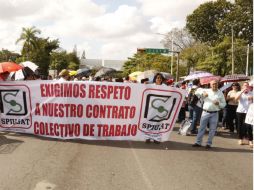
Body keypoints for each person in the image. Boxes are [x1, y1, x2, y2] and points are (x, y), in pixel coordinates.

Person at [192, 80, 226, 149]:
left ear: (218, 85)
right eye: (213, 84)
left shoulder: (220, 93)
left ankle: (209, 143)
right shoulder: (207, 90)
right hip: (205, 112)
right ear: (210, 85)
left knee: (212, 129)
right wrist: (203, 93)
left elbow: (224, 104)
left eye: (216, 84)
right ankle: (198, 142)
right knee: (201, 128)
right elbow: (195, 91)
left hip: (214, 113)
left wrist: (219, 104)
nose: (214, 85)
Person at [145, 73, 165, 144]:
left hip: (160, 108)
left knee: (158, 123)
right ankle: (148, 137)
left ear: (162, 79)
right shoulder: (151, 86)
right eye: (157, 78)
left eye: (160, 78)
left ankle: (157, 138)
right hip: (151, 107)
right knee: (149, 122)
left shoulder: (165, 86)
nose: (159, 79)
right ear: (155, 79)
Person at [235, 82, 253, 147]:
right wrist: (242, 91)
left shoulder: (251, 93)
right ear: (242, 86)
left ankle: (250, 140)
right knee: (240, 125)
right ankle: (240, 139)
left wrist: (252, 98)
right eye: (245, 86)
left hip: (249, 112)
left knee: (248, 126)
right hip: (240, 111)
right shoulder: (239, 92)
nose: (246, 87)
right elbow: (236, 99)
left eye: (247, 86)